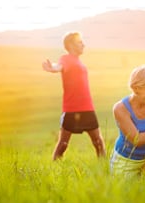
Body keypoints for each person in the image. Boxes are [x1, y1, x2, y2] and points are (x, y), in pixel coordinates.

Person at [42, 31, 106, 160]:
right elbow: (59, 66)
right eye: (80, 42)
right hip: (71, 108)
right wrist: (52, 68)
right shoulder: (66, 59)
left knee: (98, 142)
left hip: (87, 107)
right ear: (70, 45)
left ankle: (104, 167)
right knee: (63, 144)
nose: (83, 45)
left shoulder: (79, 61)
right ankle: (55, 167)